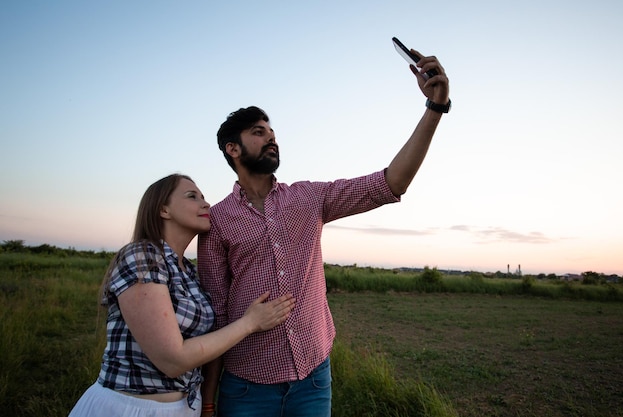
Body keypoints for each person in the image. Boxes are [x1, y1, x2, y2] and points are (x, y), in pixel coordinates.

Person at [198, 51, 450, 417]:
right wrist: (209, 399)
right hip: (247, 387)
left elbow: (390, 182)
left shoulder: (309, 197)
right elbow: (215, 313)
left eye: (272, 133)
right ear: (232, 149)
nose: (272, 140)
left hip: (313, 381)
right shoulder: (218, 221)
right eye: (258, 133)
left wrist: (435, 107)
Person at [68, 174, 295, 417]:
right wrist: (250, 323)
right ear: (163, 210)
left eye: (204, 197)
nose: (206, 204)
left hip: (185, 408)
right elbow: (172, 360)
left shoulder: (189, 271)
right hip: (131, 407)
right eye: (192, 197)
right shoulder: (142, 255)